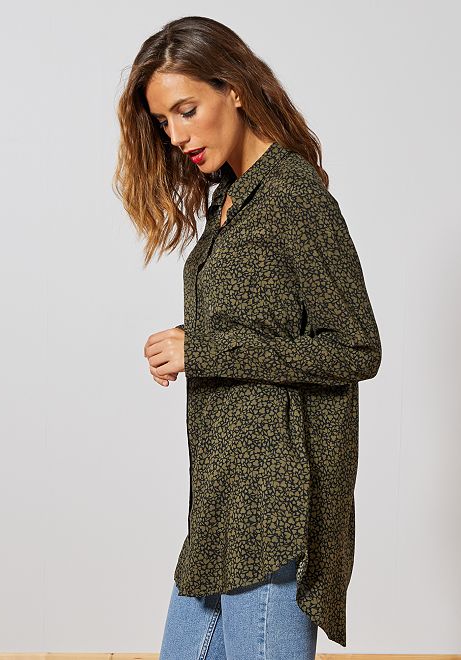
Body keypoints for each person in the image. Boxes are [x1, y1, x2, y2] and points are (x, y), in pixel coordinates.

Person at [113, 15, 382, 660]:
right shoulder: (229, 200)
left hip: (274, 508)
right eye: (164, 122)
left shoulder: (293, 196)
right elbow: (265, 327)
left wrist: (203, 349)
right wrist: (193, 337)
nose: (177, 135)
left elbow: (356, 347)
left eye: (186, 110)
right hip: (219, 506)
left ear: (232, 89)